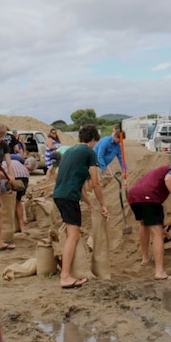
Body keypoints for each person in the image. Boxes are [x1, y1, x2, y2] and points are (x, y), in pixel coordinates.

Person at [53, 124, 109, 289]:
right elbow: (95, 184)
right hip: (69, 198)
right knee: (73, 236)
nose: (95, 145)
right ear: (93, 139)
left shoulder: (70, 151)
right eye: (95, 142)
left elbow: (79, 186)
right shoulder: (89, 152)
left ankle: (67, 272)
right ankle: (65, 277)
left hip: (60, 195)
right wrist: (103, 205)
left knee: (72, 234)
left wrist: (90, 204)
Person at [126, 158, 171, 280]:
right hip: (149, 196)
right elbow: (169, 179)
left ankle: (145, 258)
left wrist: (163, 228)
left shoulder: (155, 172)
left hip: (133, 195)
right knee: (156, 233)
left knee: (144, 225)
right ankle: (159, 272)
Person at [10, 156, 37, 232]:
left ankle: (12, 226)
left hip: (13, 178)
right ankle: (22, 227)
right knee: (18, 202)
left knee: (10, 202)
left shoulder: (12, 160)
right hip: (23, 180)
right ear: (26, 163)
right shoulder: (16, 160)